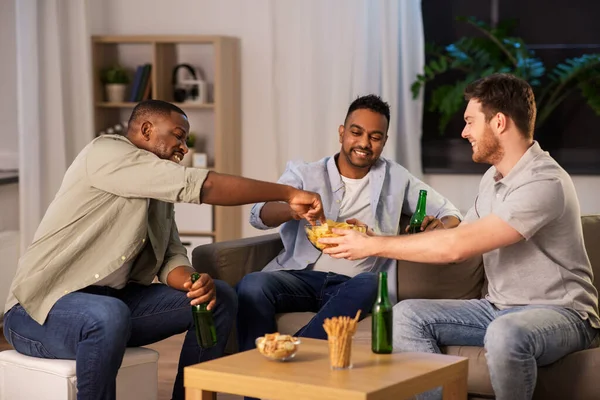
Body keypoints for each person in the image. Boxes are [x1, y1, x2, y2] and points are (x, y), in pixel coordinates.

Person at [2, 100, 325, 400]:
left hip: (111, 305)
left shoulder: (157, 194)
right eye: (178, 136)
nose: (183, 148)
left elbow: (171, 256)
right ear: (146, 130)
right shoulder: (104, 153)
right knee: (108, 313)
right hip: (39, 313)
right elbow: (202, 185)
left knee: (219, 297)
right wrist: (287, 192)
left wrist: (192, 281)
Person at [320, 74, 600, 400]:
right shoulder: (493, 180)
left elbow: (456, 248)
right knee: (407, 316)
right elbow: (462, 235)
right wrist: (378, 234)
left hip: (563, 315)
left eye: (470, 122)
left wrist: (370, 246)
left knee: (505, 333)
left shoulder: (544, 182)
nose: (464, 132)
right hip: (497, 308)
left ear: (498, 122)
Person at [236, 95, 462, 355]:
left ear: (384, 142)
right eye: (357, 132)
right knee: (253, 285)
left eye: (375, 137)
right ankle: (255, 386)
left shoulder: (397, 177)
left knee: (371, 282)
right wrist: (292, 209)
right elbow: (257, 215)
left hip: (355, 285)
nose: (364, 143)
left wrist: (440, 227)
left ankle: (295, 353)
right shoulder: (304, 173)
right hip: (301, 278)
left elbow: (450, 211)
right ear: (342, 133)